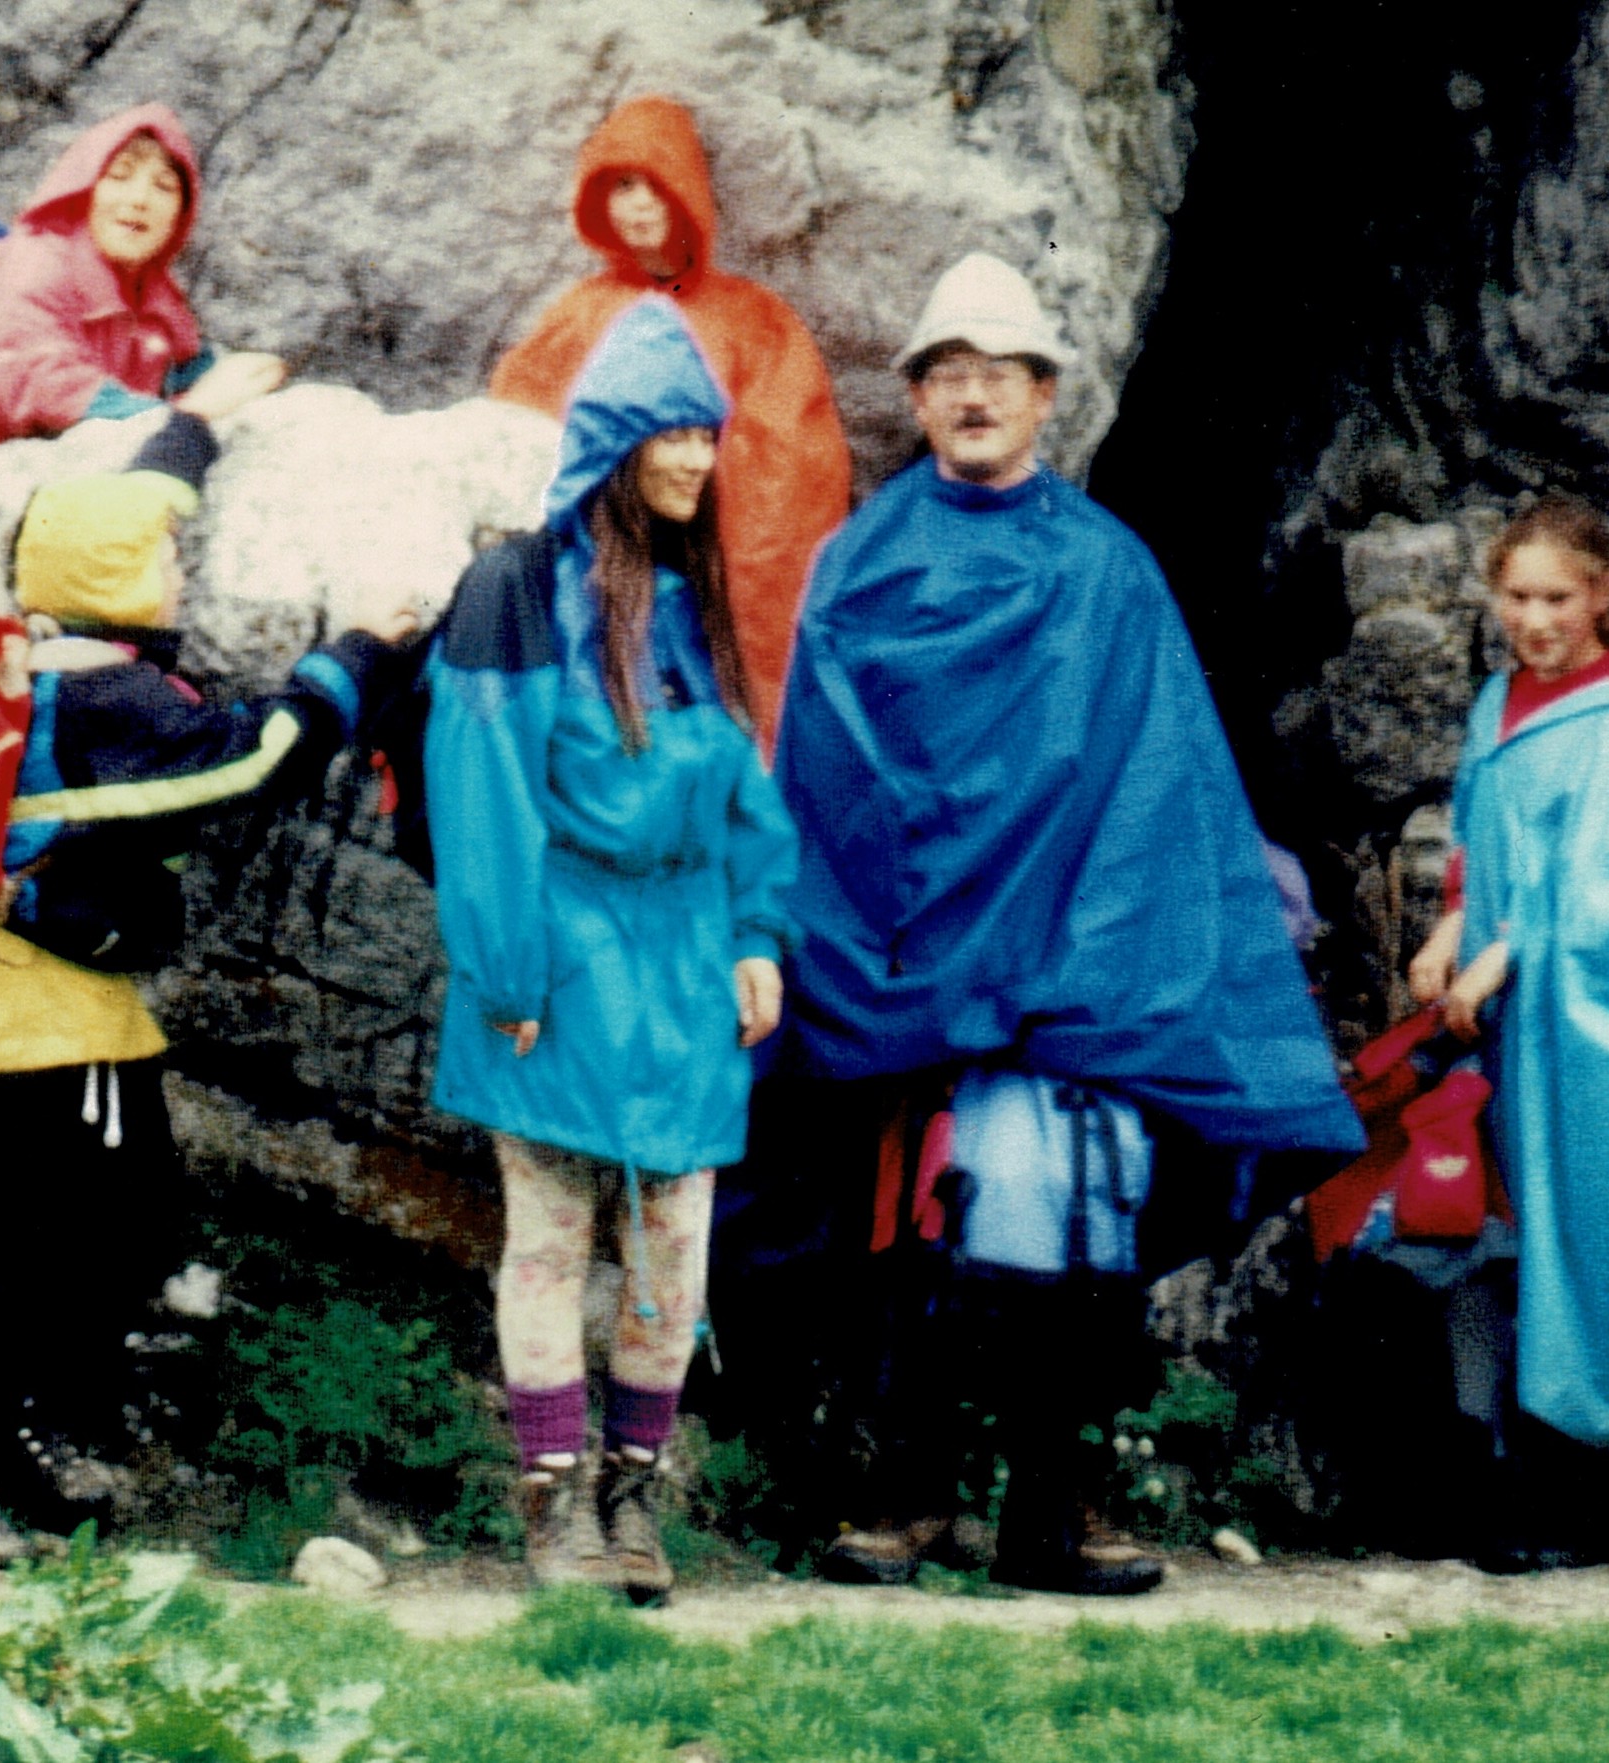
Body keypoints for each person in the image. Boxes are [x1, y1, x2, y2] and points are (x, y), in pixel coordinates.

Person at [743, 255, 1361, 1595]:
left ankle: (1057, 1506)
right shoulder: (866, 563)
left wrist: (1081, 962)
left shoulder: (1106, 570)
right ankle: (904, 1492)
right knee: (922, 1215)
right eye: (947, 373)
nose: (972, 397)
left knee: (1087, 1202)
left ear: (1042, 394)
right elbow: (836, 780)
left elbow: (1159, 782)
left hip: (1075, 979)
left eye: (998, 374)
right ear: (915, 394)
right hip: (921, 976)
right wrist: (924, 958)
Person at [0, 412, 420, 1566]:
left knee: (59, 1232)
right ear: (112, 578)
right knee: (31, 1246)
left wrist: (192, 434)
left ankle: (12, 1454)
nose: (178, 576)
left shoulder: (16, 672)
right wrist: (357, 650)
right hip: (39, 1014)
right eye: (163, 559)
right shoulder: (120, 699)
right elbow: (259, 755)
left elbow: (108, 520)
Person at [429, 296, 798, 1603]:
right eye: (671, 430)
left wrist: (758, 928)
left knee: (672, 1248)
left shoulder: (696, 611)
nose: (695, 455)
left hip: (685, 970)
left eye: (707, 431)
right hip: (557, 962)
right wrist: (511, 970)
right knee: (548, 1235)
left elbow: (745, 790)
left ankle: (633, 1502)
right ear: (616, 436)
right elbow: (483, 795)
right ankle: (551, 1510)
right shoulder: (513, 590)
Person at [1405, 496, 1609, 1570]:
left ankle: (1589, 1480)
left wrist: (1510, 951)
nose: (1536, 617)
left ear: (1602, 595)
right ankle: (1488, 1469)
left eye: (1558, 596)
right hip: (1492, 1013)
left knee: (1581, 1224)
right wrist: (1448, 927)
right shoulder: (1495, 701)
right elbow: (1473, 835)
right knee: (1487, 1220)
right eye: (1516, 595)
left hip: (1575, 1024)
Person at [490, 95, 851, 748]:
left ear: (690, 191)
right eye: (622, 185)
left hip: (708, 570)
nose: (639, 203)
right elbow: (518, 439)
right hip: (599, 579)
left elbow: (791, 479)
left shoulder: (753, 319)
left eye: (658, 182)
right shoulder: (579, 314)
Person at [0, 104, 285, 487]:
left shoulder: (157, 299)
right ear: (83, 190)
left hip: (45, 469)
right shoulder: (29, 262)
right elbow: (40, 381)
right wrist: (181, 420)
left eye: (164, 187)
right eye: (119, 177)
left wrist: (246, 383)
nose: (139, 200)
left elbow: (187, 370)